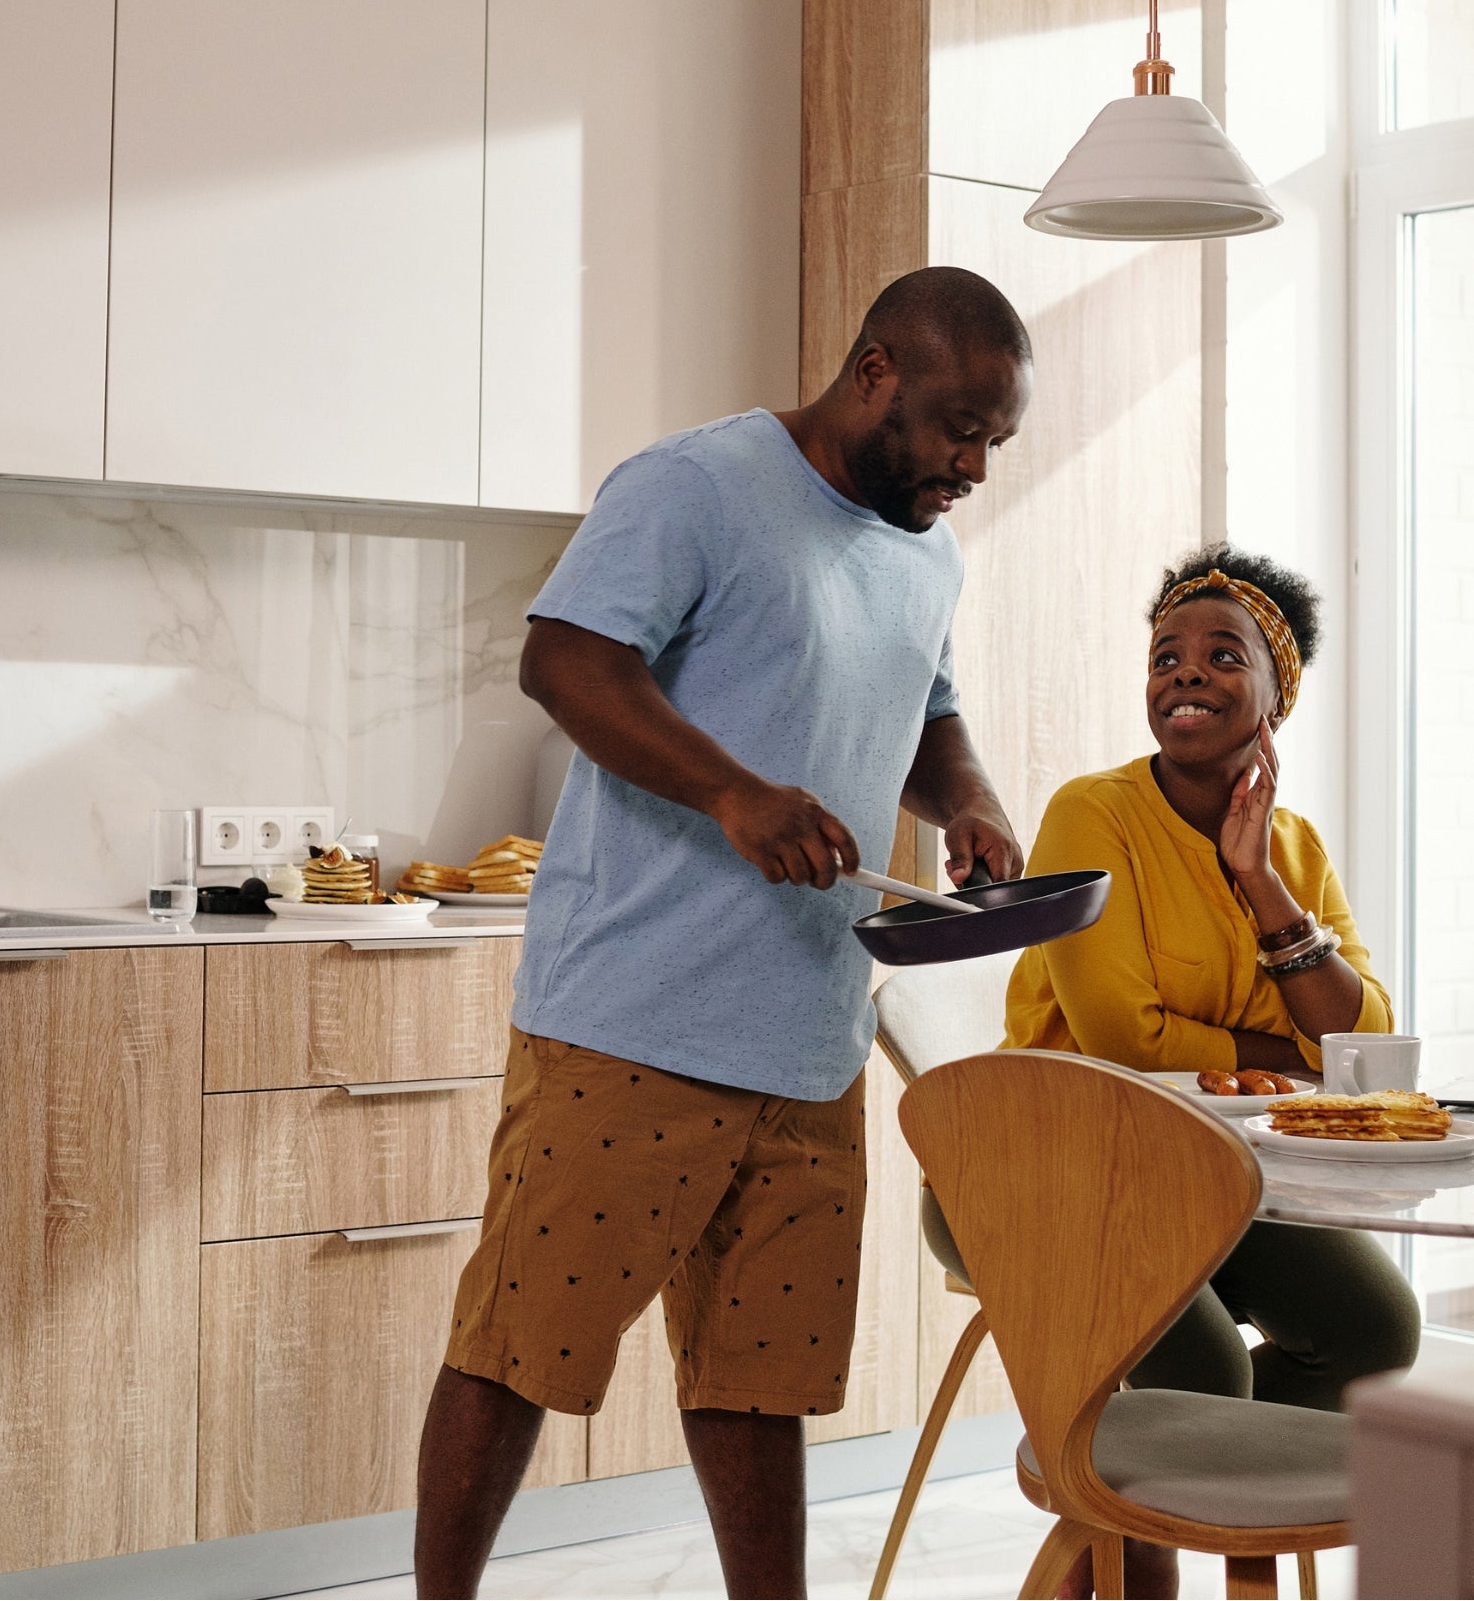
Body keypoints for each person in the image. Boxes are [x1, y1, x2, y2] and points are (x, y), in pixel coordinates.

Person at [412, 266, 1034, 1600]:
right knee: (521, 1342)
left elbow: (924, 703)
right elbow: (568, 663)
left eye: (995, 440)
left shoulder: (929, 549)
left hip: (812, 1036)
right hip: (634, 1019)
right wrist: (730, 791)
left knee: (760, 1380)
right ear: (876, 372)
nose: (971, 465)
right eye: (956, 430)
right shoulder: (694, 487)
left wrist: (969, 796)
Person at [1002, 544, 1421, 1600]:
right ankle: (1140, 1561)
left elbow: (1365, 1046)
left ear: (1278, 697)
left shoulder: (1296, 846)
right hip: (1048, 1164)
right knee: (1198, 1368)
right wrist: (1288, 1054)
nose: (1183, 673)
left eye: (1221, 654)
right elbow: (1126, 1041)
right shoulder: (1089, 814)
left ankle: (1221, 1531)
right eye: (1165, 655)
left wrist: (1261, 884)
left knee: (1373, 1329)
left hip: (1218, 1178)